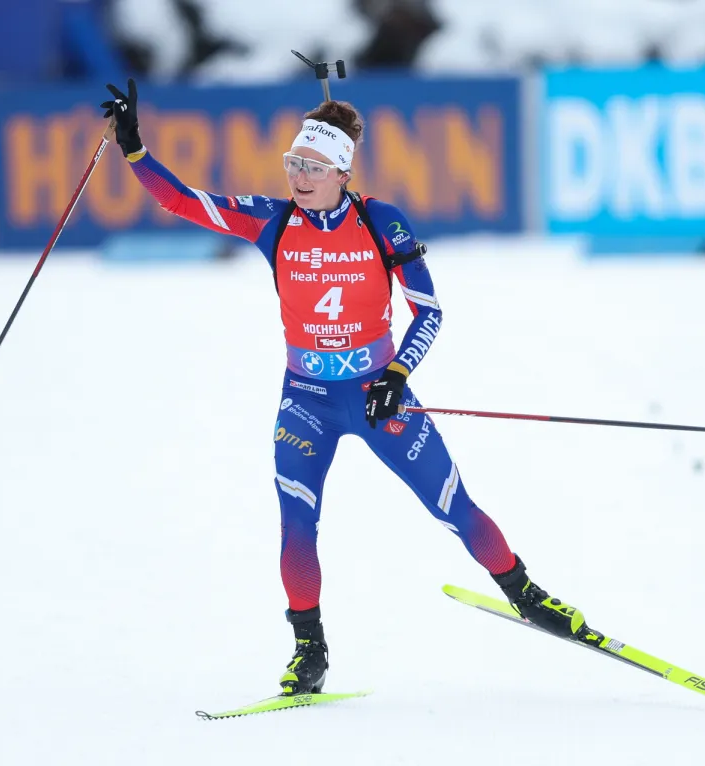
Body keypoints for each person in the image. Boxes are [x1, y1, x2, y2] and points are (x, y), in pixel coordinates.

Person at [101, 79, 594, 696]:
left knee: (452, 506)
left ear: (341, 170)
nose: (299, 177)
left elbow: (429, 310)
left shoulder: (380, 222)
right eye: (292, 164)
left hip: (376, 397)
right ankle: (309, 647)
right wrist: (135, 148)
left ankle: (527, 595)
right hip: (306, 399)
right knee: (296, 525)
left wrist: (396, 374)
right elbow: (181, 202)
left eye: (312, 166)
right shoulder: (271, 220)